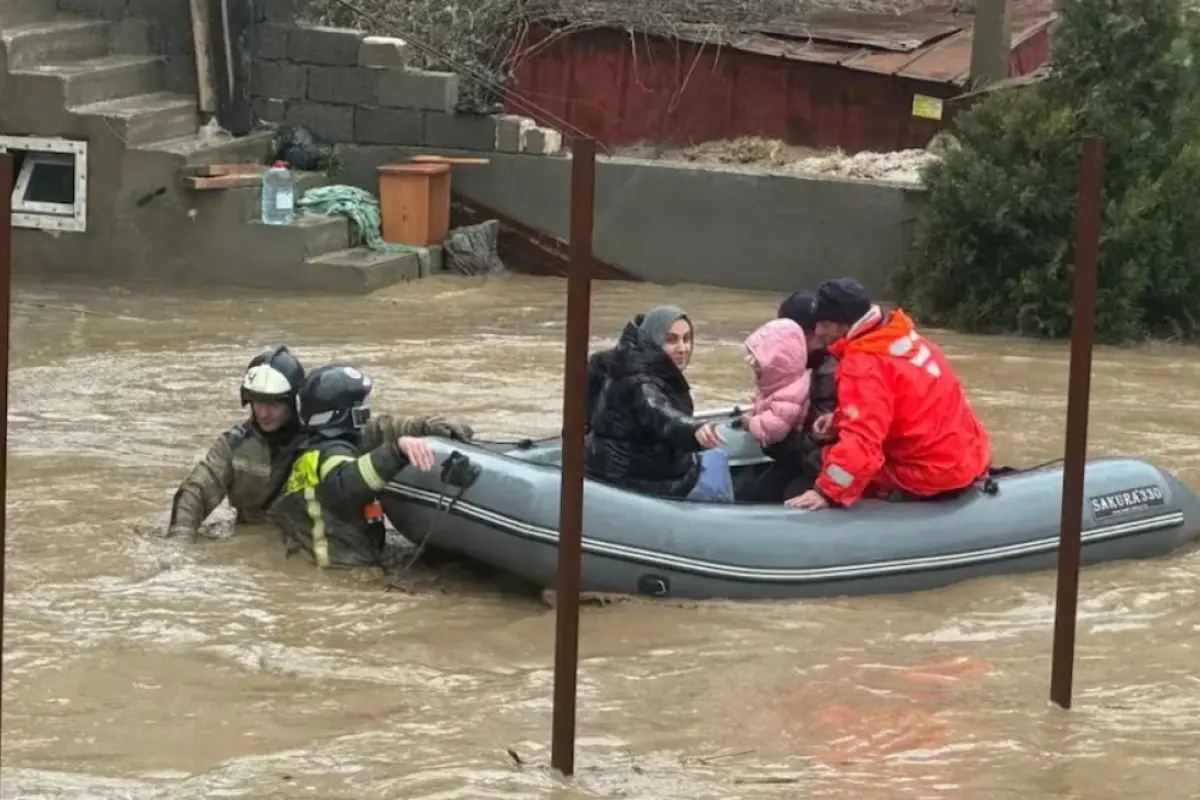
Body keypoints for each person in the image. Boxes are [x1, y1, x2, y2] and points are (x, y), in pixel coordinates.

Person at [167, 345, 474, 540]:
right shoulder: (234, 446)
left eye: (273, 404)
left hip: (311, 543)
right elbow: (196, 491)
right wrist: (179, 543)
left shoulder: (325, 432)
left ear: (293, 402)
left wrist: (429, 427)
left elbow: (382, 429)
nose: (263, 412)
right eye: (257, 402)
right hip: (261, 542)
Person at [787, 278, 991, 510]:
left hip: (929, 474)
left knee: (816, 460)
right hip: (965, 459)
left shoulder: (863, 365)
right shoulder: (903, 338)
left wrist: (826, 492)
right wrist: (838, 420)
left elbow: (863, 445)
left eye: (825, 324)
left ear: (844, 324)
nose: (819, 332)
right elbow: (897, 406)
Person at [267, 363, 438, 568]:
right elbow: (347, 484)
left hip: (316, 563)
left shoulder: (312, 451)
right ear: (347, 413)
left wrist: (424, 428)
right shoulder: (332, 453)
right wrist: (396, 452)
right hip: (341, 570)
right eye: (360, 407)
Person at [587, 306, 732, 502]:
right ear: (653, 341)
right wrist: (693, 430)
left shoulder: (619, 361)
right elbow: (659, 411)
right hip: (641, 483)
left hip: (630, 469)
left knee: (712, 457)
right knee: (716, 464)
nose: (682, 348)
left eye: (686, 339)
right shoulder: (640, 382)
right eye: (671, 340)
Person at [736, 292, 838, 503]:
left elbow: (811, 448)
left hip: (819, 467)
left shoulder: (828, 375)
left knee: (780, 494)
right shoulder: (793, 370)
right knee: (753, 490)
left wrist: (769, 437)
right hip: (801, 458)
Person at [743, 318, 812, 450]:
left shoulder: (792, 394)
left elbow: (770, 431)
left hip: (786, 449)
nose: (755, 368)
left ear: (778, 363)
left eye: (758, 363)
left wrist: (750, 423)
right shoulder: (778, 382)